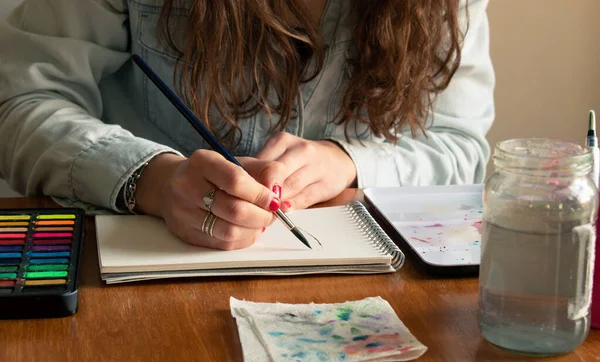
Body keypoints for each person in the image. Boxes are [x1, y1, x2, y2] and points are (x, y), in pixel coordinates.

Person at [0, 0, 494, 250]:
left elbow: (459, 143)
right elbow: (21, 101)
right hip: (128, 268)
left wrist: (348, 161)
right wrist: (146, 177)